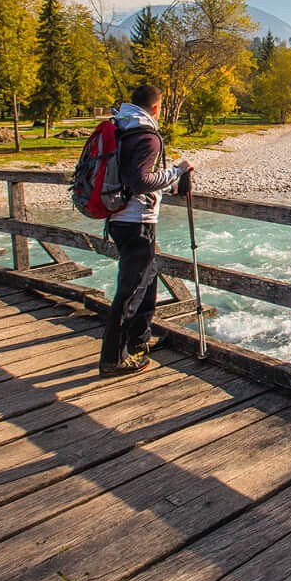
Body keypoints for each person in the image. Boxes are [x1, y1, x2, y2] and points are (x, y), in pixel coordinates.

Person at [100, 83, 191, 376]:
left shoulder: (122, 126)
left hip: (119, 216)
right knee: (131, 290)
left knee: (147, 279)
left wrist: (168, 182)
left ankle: (139, 341)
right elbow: (140, 181)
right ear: (156, 107)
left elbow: (130, 175)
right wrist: (176, 172)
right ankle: (113, 358)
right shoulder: (146, 136)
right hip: (136, 220)